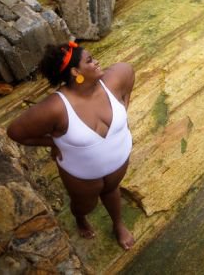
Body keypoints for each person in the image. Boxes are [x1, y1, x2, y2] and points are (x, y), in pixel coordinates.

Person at [7, 41, 136, 250]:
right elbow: (16, 132)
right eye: (90, 60)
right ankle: (80, 219)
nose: (97, 62)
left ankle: (118, 224)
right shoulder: (56, 107)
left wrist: (124, 108)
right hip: (82, 174)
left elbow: (130, 74)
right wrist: (54, 142)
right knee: (85, 205)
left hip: (118, 162)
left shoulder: (113, 80)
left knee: (113, 190)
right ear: (76, 71)